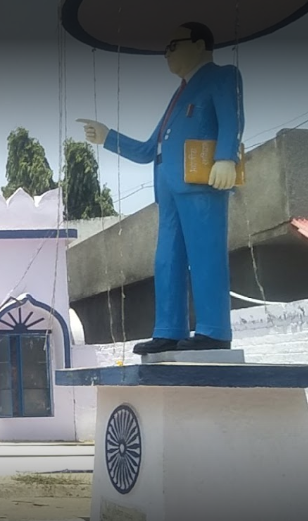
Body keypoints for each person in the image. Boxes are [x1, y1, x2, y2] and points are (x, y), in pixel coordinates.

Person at [78, 22, 244, 355]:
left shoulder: (222, 75)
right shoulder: (179, 94)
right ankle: (169, 329)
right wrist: (107, 136)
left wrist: (226, 158)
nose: (166, 53)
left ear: (198, 44)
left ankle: (214, 330)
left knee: (206, 255)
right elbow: (146, 149)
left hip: (202, 183)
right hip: (167, 193)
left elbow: (232, 119)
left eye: (173, 45)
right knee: (167, 260)